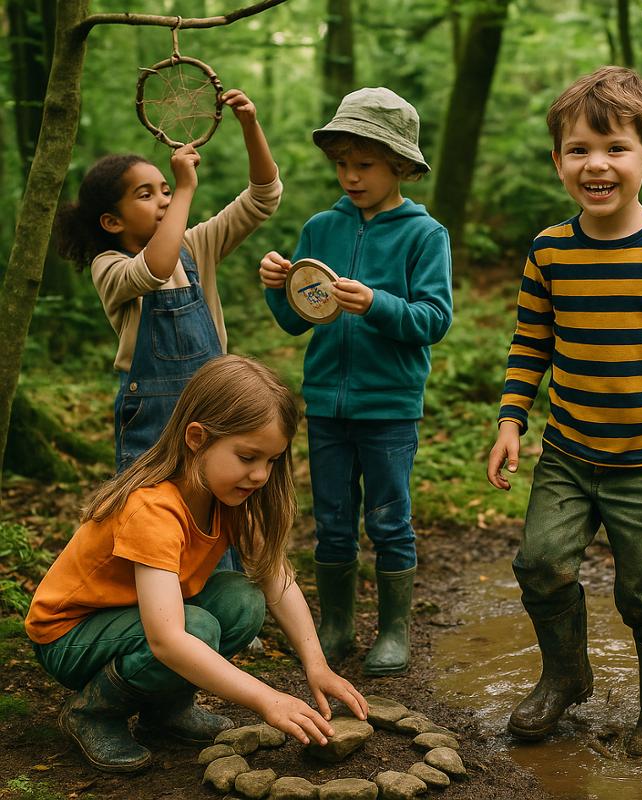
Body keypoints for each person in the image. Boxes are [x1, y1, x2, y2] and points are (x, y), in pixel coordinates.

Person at [487, 66, 642, 757]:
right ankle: (566, 674)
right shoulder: (549, 250)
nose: (596, 163)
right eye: (578, 149)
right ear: (559, 162)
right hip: (569, 452)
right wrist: (511, 422)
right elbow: (530, 345)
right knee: (540, 563)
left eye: (615, 148)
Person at [24, 355, 368, 774]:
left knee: (243, 600)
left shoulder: (233, 496)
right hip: (70, 634)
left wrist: (317, 664)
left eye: (272, 460)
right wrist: (267, 698)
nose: (261, 475)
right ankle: (92, 712)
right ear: (196, 438)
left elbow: (275, 577)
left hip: (135, 619)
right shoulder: (153, 509)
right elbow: (168, 638)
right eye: (247, 457)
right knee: (195, 628)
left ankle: (165, 708)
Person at [259, 87, 452, 677]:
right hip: (326, 404)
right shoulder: (321, 228)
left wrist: (376, 304)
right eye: (341, 163)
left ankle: (394, 631)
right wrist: (276, 286)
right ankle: (337, 625)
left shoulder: (425, 235)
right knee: (334, 521)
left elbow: (434, 320)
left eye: (363, 164)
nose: (350, 175)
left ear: (398, 164)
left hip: (390, 405)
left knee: (389, 520)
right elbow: (298, 318)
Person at [56, 89, 282, 474]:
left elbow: (263, 198)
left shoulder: (194, 246)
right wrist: (184, 189)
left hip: (214, 401)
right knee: (152, 504)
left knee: (214, 499)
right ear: (112, 222)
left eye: (166, 190)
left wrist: (250, 126)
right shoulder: (109, 267)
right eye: (146, 195)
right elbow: (154, 268)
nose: (164, 200)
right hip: (152, 412)